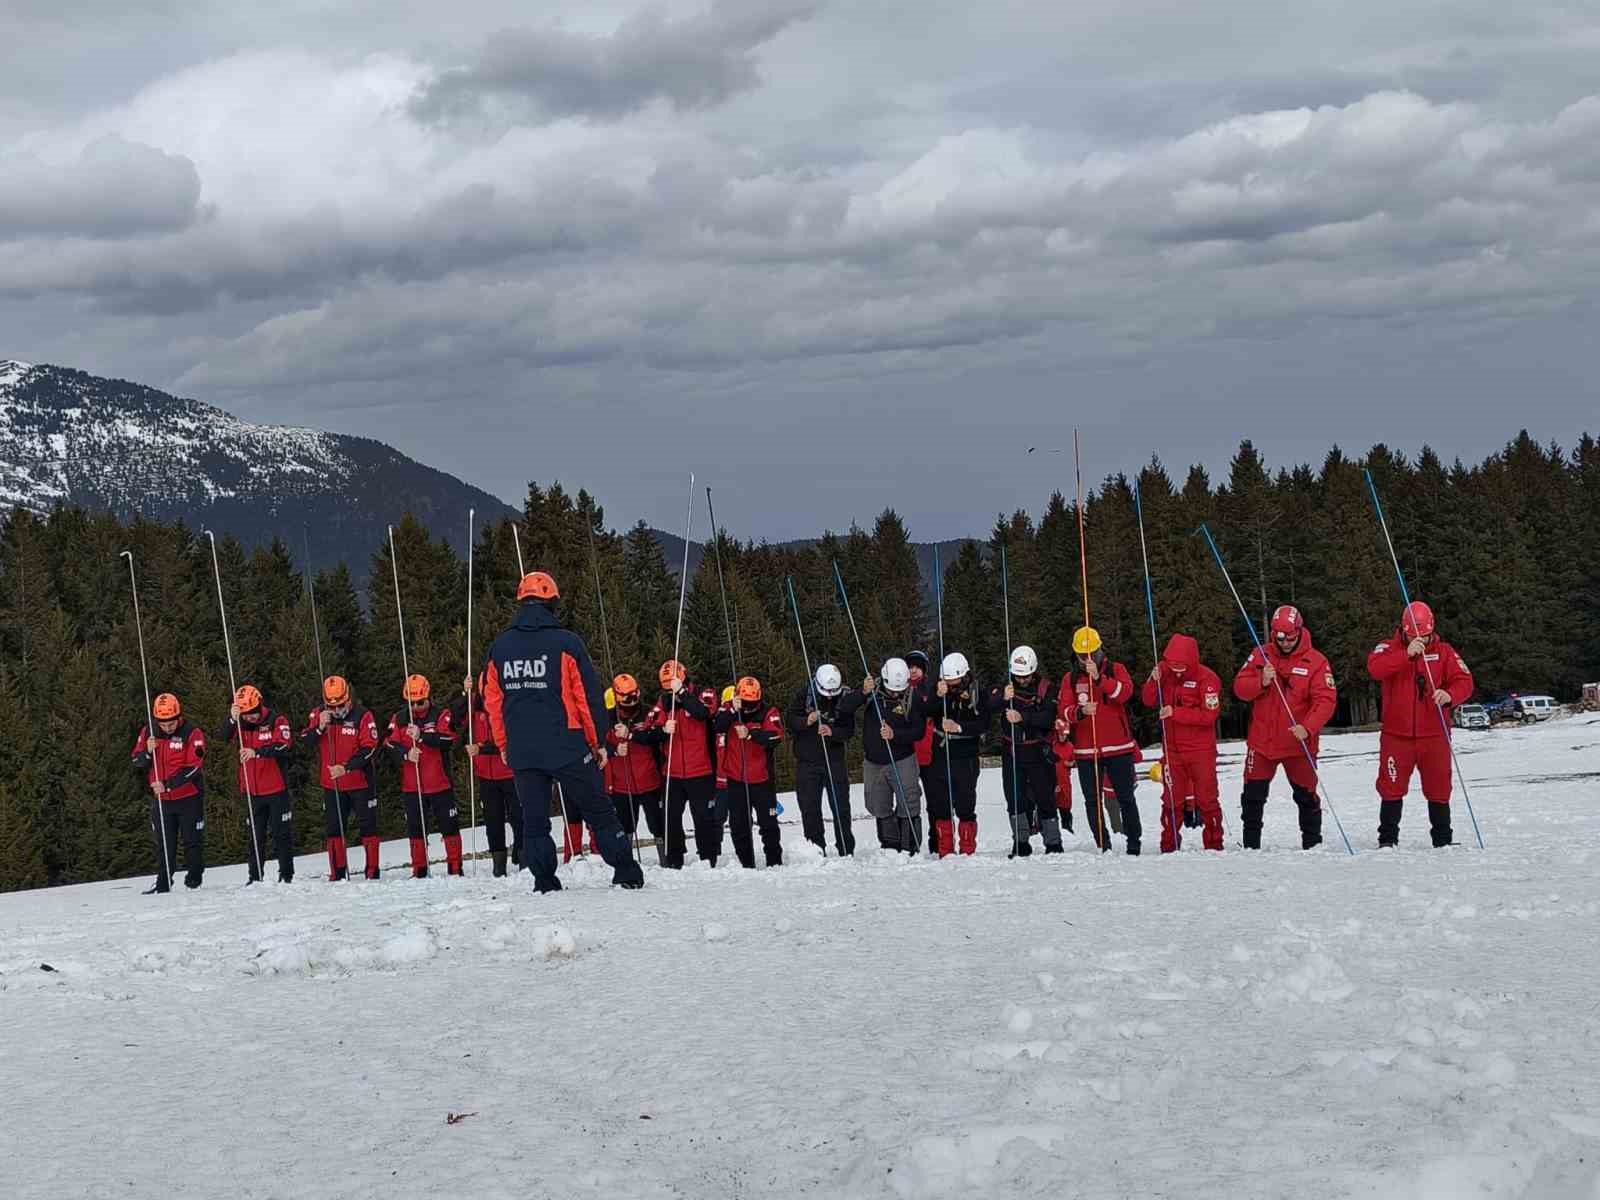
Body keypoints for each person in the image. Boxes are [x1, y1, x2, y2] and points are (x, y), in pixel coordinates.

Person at [481, 571, 643, 891]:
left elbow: (493, 703)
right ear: (551, 602)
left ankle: (544, 879)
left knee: (535, 819)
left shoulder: (499, 647)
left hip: (522, 749)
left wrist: (503, 743)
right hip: (566, 744)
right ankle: (625, 870)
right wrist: (597, 742)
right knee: (598, 810)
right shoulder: (567, 643)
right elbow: (587, 696)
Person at [1366, 601, 1474, 847]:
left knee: (1439, 787)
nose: (1421, 640)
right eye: (1415, 635)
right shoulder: (1387, 647)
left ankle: (1443, 840)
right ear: (1404, 630)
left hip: (1434, 734)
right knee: (1391, 787)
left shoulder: (1444, 651)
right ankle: (1387, 841)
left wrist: (1450, 695)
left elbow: (1464, 681)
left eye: (1425, 636)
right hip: (1396, 735)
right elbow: (1376, 668)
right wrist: (1406, 655)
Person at [1232, 604, 1337, 850]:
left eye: (1291, 638)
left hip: (1298, 744)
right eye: (1281, 638)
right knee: (1252, 797)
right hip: (1262, 744)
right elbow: (1239, 688)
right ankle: (1250, 847)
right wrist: (1261, 681)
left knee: (1306, 797)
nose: (1286, 643)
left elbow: (1326, 700)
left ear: (1300, 631)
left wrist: (1307, 727)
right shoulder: (1260, 655)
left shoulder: (1317, 661)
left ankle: (1312, 846)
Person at [1059, 627, 1142, 854]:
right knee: (1092, 801)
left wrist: (1100, 679)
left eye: (1091, 653)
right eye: (1081, 655)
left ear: (1099, 650)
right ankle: (1103, 844)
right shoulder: (1070, 678)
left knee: (1126, 798)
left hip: (1119, 747)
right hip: (1087, 751)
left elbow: (1125, 693)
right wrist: (1080, 711)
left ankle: (1134, 843)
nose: (1087, 659)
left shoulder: (1116, 669)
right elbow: (1063, 711)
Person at [1141, 634, 1224, 853]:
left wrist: (1175, 713)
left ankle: (1214, 845)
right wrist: (1153, 680)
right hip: (1172, 750)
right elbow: (1148, 700)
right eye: (1173, 667)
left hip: (1200, 750)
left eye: (1181, 668)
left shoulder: (1208, 679)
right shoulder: (1164, 671)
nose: (1176, 672)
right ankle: (1168, 847)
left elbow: (1209, 716)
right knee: (1170, 799)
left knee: (1207, 799)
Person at [384, 674, 465, 878]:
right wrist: (405, 754)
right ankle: (419, 869)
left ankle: (455, 867)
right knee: (415, 828)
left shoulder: (440, 714)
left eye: (420, 702)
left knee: (449, 826)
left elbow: (448, 739)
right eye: (412, 703)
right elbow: (389, 744)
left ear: (428, 697)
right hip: (413, 786)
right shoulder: (400, 718)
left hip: (439, 783)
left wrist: (423, 736)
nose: (417, 707)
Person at [302, 675, 382, 880]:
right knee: (334, 828)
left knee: (368, 826)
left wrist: (346, 767)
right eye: (332, 706)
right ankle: (337, 873)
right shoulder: (319, 714)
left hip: (360, 782)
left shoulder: (363, 715)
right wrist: (319, 727)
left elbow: (369, 748)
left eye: (340, 705)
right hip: (332, 785)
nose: (337, 711)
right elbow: (304, 741)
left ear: (348, 699)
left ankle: (372, 871)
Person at [645, 659, 722, 868]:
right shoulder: (663, 701)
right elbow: (648, 728)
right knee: (670, 818)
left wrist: (682, 694)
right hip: (672, 771)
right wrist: (662, 730)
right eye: (666, 686)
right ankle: (674, 859)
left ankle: (708, 858)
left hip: (701, 769)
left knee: (703, 817)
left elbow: (704, 712)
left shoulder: (702, 692)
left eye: (671, 685)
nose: (668, 690)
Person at [130, 692, 206, 893]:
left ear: (178, 716)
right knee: (164, 844)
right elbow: (137, 761)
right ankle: (163, 882)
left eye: (171, 723)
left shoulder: (192, 733)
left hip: (189, 796)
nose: (167, 727)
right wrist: (147, 751)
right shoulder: (149, 732)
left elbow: (194, 767)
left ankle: (194, 880)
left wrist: (168, 784)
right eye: (163, 723)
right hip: (162, 800)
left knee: (192, 841)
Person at [222, 684, 296, 884]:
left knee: (281, 834)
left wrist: (258, 752)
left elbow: (283, 745)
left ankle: (286, 875)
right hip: (251, 790)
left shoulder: (276, 720)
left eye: (252, 714)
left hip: (276, 788)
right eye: (245, 714)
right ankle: (255, 877)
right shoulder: (240, 723)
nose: (249, 718)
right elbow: (223, 737)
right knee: (255, 837)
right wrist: (232, 718)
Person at [991, 645, 1061, 856]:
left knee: (1045, 796)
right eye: (1018, 676)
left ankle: (1053, 842)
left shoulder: (1047, 689)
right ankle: (1020, 841)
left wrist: (1023, 718)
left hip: (1037, 751)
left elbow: (1048, 718)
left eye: (1026, 676)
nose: (1021, 680)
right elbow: (987, 705)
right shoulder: (1006, 687)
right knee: (1014, 798)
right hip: (1012, 751)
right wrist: (1003, 697)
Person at [850, 657, 924, 852]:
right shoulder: (871, 691)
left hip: (903, 758)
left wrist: (895, 735)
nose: (895, 693)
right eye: (892, 690)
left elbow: (919, 731)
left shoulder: (913, 697)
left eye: (899, 691)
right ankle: (890, 846)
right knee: (877, 804)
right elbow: (845, 708)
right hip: (874, 761)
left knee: (909, 802)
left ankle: (910, 847)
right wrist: (862, 692)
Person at [714, 676, 786, 868]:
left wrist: (752, 734)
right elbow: (717, 726)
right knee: (739, 825)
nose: (748, 707)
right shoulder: (728, 708)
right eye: (745, 703)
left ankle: (775, 861)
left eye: (751, 703)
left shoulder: (769, 712)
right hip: (736, 780)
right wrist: (732, 710)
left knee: (769, 822)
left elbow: (777, 737)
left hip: (763, 781)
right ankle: (746, 863)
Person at [455, 673, 522, 876]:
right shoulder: (474, 708)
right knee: (493, 821)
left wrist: (481, 748)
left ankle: (523, 853)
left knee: (519, 817)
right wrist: (464, 694)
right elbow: (453, 719)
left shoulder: (509, 706)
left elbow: (511, 740)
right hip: (486, 774)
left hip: (510, 771)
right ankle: (498, 863)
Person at [785, 663, 856, 855]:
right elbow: (789, 720)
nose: (830, 696)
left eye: (834, 692)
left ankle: (846, 848)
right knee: (810, 808)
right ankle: (815, 849)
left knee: (841, 807)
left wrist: (832, 732)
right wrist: (806, 721)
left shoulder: (844, 698)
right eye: (827, 692)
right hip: (807, 762)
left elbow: (849, 730)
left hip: (834, 761)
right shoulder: (803, 694)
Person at [928, 652, 988, 857]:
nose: (952, 686)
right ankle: (945, 849)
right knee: (941, 804)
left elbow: (984, 723)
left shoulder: (977, 692)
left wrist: (959, 727)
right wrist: (938, 695)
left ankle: (967, 848)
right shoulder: (938, 688)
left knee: (965, 802)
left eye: (954, 683)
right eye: (948, 682)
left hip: (966, 755)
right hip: (941, 754)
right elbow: (925, 711)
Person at [604, 673, 664, 851]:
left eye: (634, 694)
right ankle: (626, 860)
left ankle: (665, 859)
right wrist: (614, 750)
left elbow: (658, 735)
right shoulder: (607, 717)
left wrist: (631, 735)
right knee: (625, 826)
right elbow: (595, 743)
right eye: (626, 696)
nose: (631, 700)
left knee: (658, 824)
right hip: (622, 784)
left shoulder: (648, 712)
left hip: (649, 780)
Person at [905, 651, 938, 854]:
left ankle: (937, 841)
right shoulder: (900, 688)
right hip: (907, 753)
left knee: (935, 801)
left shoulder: (932, 688)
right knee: (909, 800)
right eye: (910, 666)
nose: (913, 669)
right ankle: (911, 844)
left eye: (917, 666)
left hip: (930, 754)